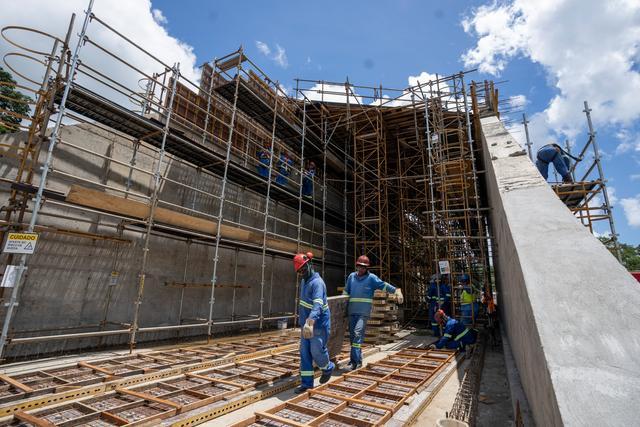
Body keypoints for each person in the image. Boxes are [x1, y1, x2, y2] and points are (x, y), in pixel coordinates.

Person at [342, 255, 404, 370]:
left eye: (363, 267)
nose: (361, 269)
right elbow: (346, 292)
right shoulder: (351, 277)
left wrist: (396, 290)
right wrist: (341, 305)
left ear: (367, 268)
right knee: (352, 338)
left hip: (363, 313)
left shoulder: (371, 278)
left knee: (357, 334)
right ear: (356, 266)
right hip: (352, 312)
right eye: (359, 266)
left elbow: (383, 285)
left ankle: (354, 363)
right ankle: (356, 361)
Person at [293, 251, 334, 393]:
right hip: (307, 325)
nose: (302, 273)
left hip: (318, 325)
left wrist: (310, 321)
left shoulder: (317, 283)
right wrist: (305, 323)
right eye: (299, 271)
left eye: (304, 269)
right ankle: (306, 384)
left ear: (310, 264)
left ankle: (327, 367)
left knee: (316, 351)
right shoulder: (305, 280)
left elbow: (317, 305)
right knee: (304, 353)